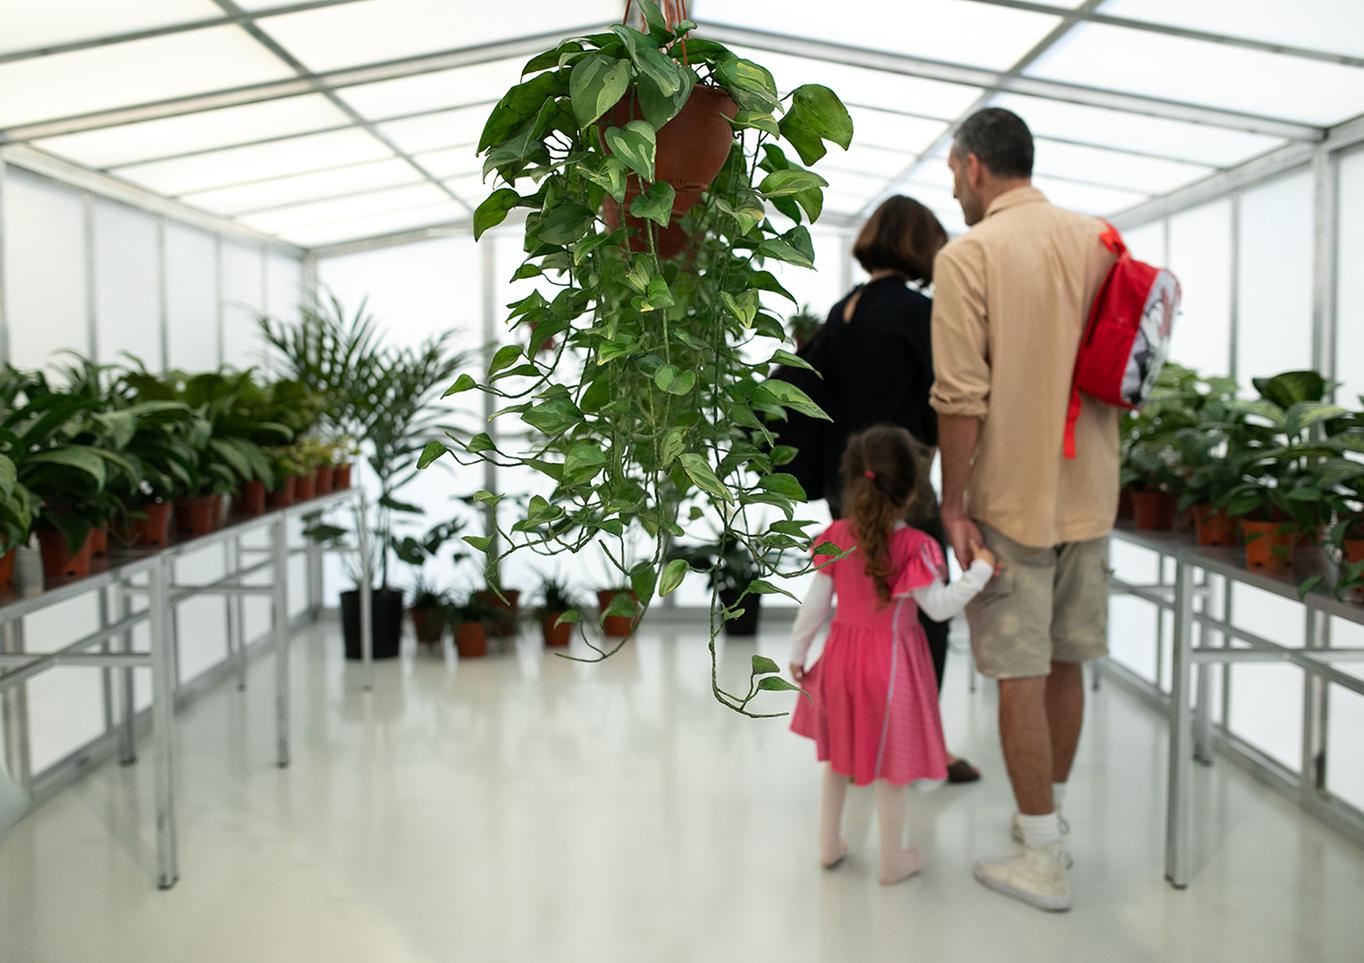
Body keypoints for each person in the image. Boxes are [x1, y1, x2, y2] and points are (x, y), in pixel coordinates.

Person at [930, 107, 1119, 912]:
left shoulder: (968, 254)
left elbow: (959, 395)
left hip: (1010, 498)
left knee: (1018, 670)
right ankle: (1049, 821)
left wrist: (953, 501)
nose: (954, 188)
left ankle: (1041, 856)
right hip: (1092, 491)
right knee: (1068, 660)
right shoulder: (1099, 242)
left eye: (953, 172)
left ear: (974, 166)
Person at [818, 195, 982, 784]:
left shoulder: (841, 312)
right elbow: (951, 395)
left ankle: (862, 743)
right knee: (924, 619)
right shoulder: (919, 312)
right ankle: (918, 747)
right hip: (905, 491)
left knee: (859, 616)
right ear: (920, 246)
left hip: (848, 488)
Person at [788, 425, 996, 885]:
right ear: (911, 489)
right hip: (892, 667)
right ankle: (891, 860)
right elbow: (938, 608)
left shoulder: (836, 536)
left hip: (839, 663)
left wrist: (798, 652)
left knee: (836, 759)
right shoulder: (916, 548)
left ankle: (828, 846)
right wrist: (980, 572)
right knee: (891, 769)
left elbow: (814, 605)